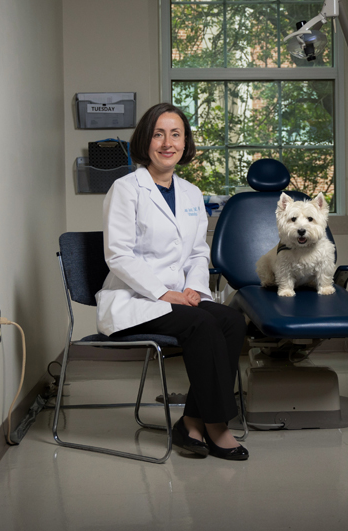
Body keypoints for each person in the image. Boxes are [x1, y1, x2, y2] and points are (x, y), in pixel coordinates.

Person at [95, 103, 249, 461]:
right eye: (158, 134)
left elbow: (198, 252)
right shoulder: (126, 188)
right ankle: (217, 425)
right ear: (145, 140)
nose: (167, 143)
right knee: (202, 325)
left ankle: (192, 420)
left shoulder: (192, 193)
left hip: (181, 293)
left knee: (229, 320)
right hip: (136, 297)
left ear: (185, 142)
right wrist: (166, 293)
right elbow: (118, 254)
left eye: (175, 134)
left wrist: (194, 288)